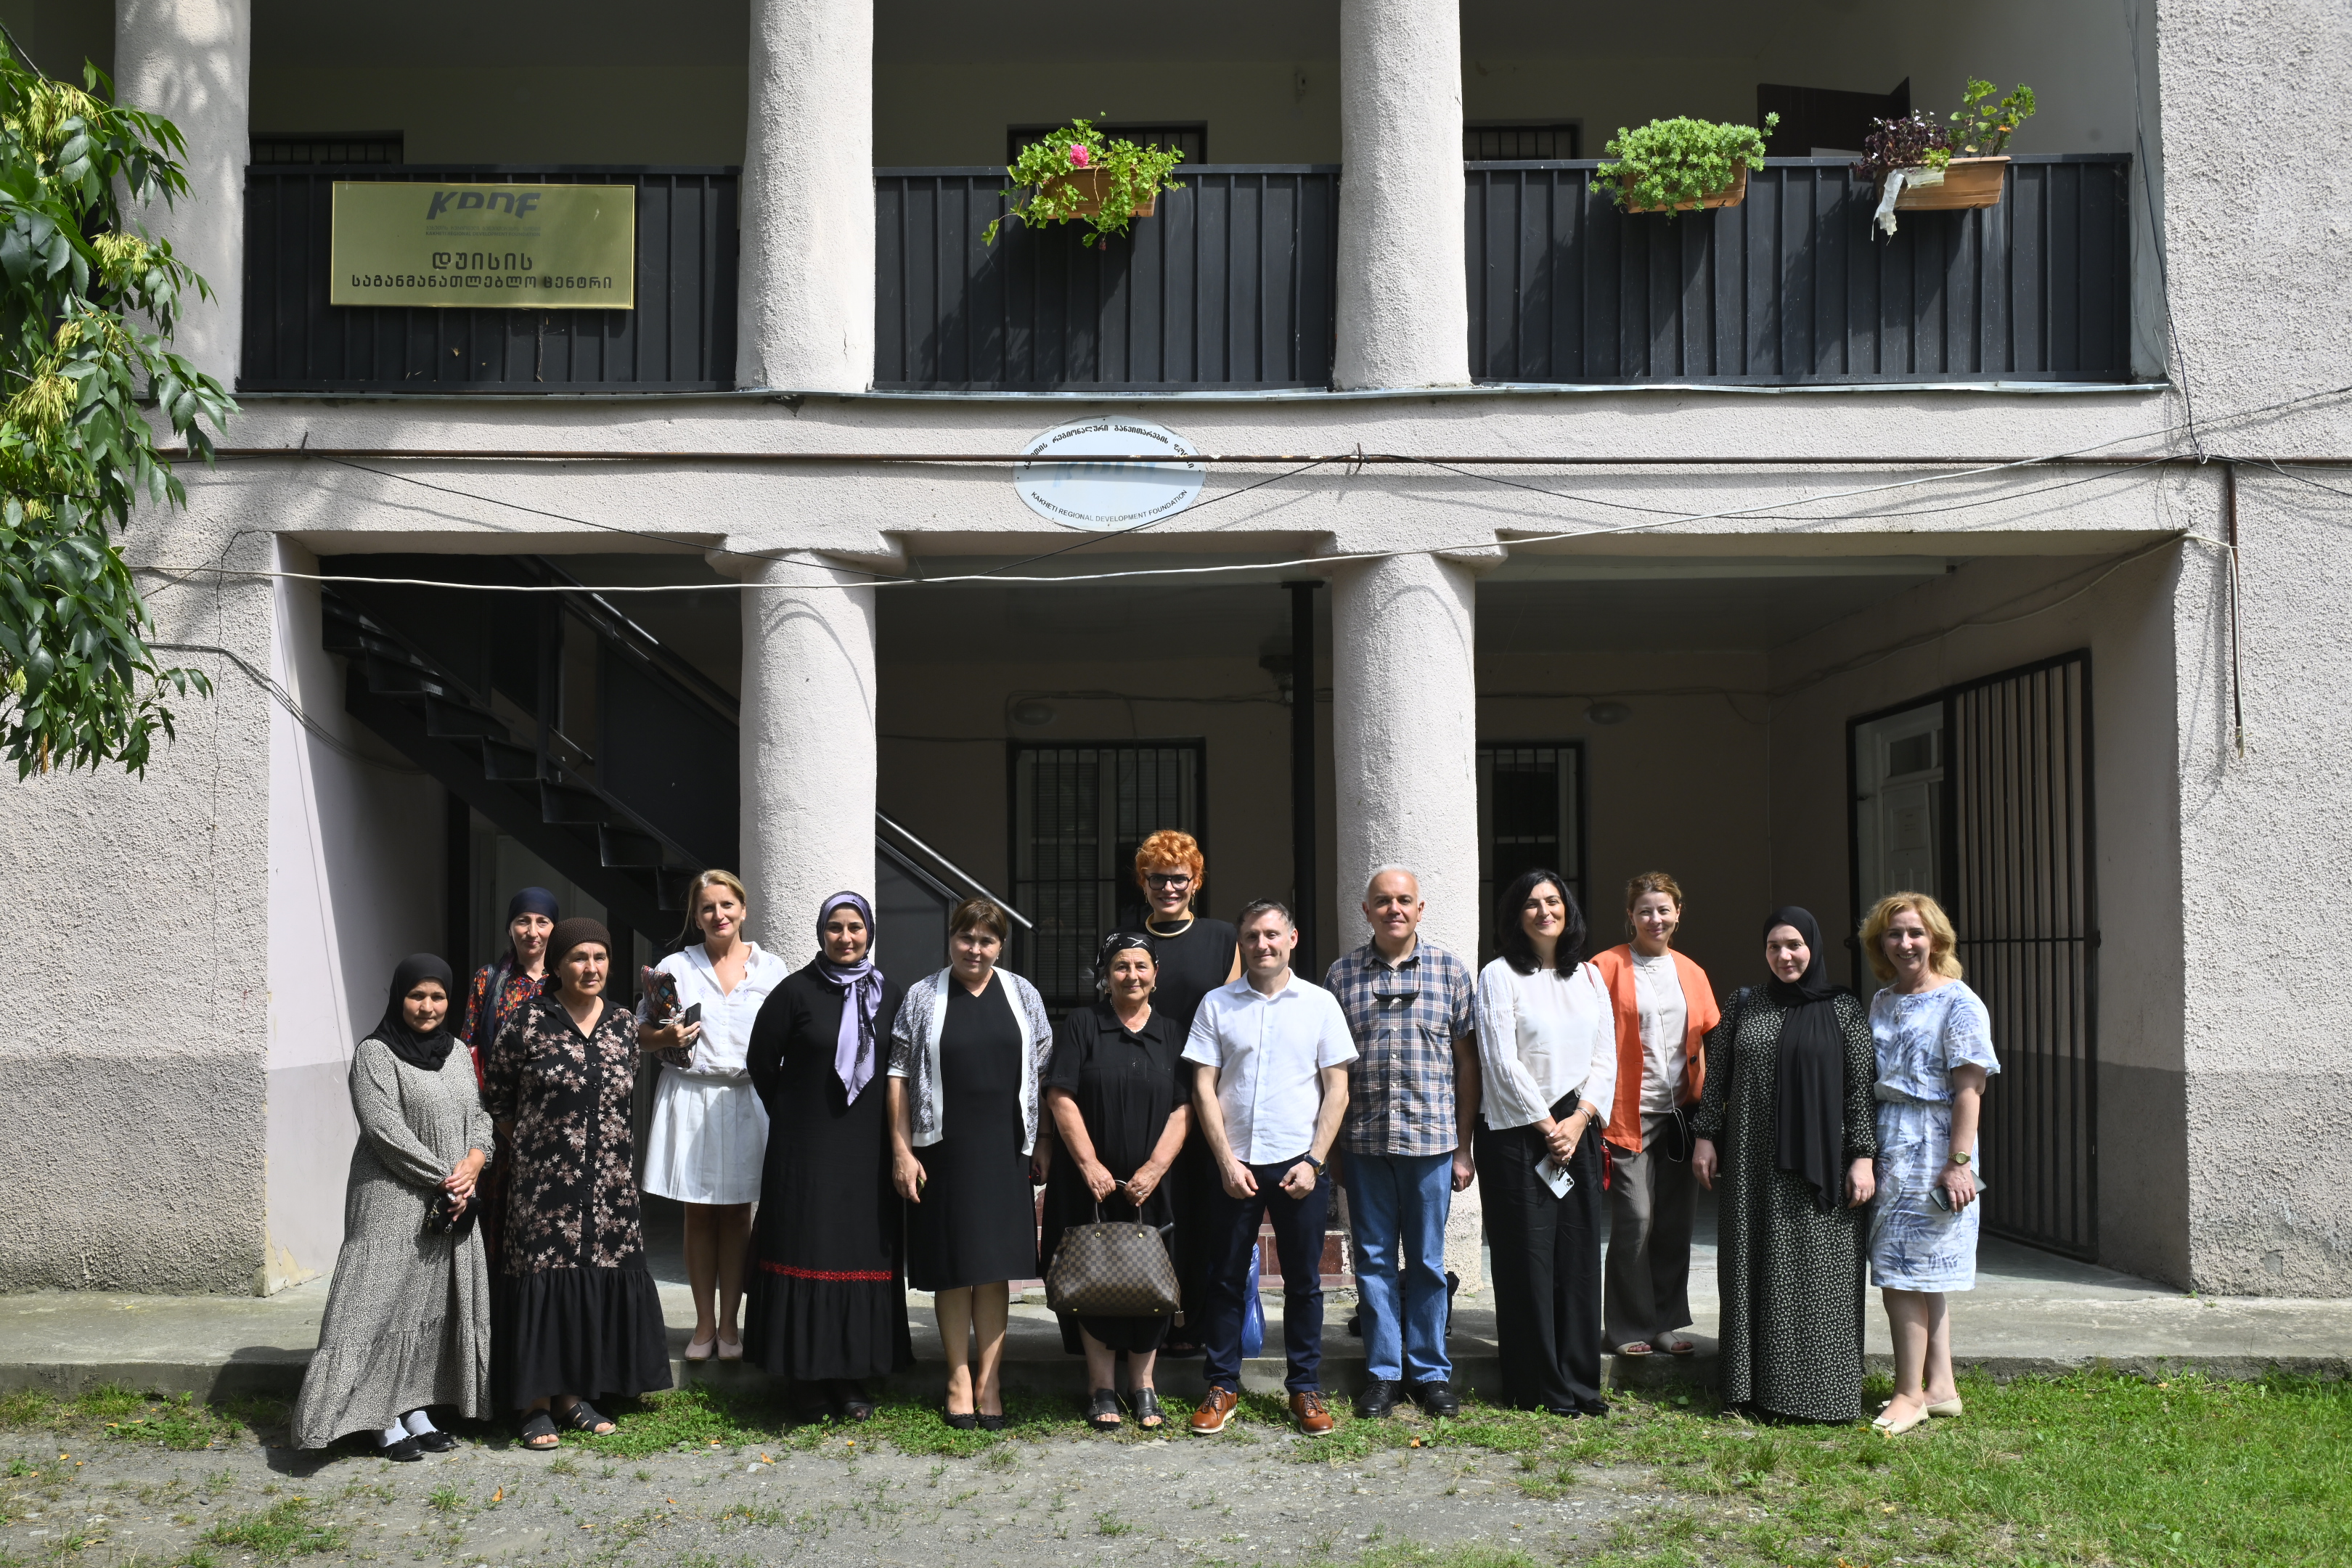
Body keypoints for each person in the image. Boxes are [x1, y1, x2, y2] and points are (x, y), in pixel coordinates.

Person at [290, 955, 492, 1459]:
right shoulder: (376, 1055)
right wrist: (449, 1179)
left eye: (438, 997)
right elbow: (385, 1135)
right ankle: (371, 1419)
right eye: (416, 996)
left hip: (449, 1202)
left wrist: (475, 1161)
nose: (427, 1007)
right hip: (391, 1200)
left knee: (425, 1306)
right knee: (374, 1307)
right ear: (398, 998)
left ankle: (414, 1408)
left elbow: (479, 1117)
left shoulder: (459, 1053)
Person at [483, 918, 672, 1450]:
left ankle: (572, 1395)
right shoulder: (529, 1021)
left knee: (591, 1276)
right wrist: (531, 1148)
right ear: (559, 966)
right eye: (578, 959)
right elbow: (497, 1097)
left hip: (610, 1182)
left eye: (600, 958)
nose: (591, 968)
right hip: (545, 1184)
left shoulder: (620, 1024)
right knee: (545, 1279)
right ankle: (533, 1404)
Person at [1690, 907, 1879, 1424]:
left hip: (1822, 1167)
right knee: (1752, 1270)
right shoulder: (1745, 1004)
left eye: (1794, 944)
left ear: (1813, 947)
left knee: (1818, 1280)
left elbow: (1860, 1090)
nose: (1784, 956)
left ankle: (1822, 1398)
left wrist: (1862, 1157)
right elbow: (1718, 1077)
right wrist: (1706, 1138)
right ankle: (1747, 1393)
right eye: (1774, 946)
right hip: (1751, 1165)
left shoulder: (1842, 1009)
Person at [1183, 899, 1356, 1437]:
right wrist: (1224, 1160)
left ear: (1293, 938)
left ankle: (1305, 1387)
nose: (1263, 944)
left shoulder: (1320, 1004)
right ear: (1242, 943)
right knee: (1227, 1280)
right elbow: (1203, 1088)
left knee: (1304, 1283)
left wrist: (1315, 1160)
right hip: (1236, 1164)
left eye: (1272, 935)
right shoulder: (1216, 1004)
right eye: (1253, 936)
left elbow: (1337, 1089)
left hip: (1298, 1164)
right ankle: (1222, 1385)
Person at [743, 891, 912, 1421]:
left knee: (860, 1252)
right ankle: (806, 1377)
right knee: (809, 1248)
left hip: (870, 1148)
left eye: (855, 928)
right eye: (835, 928)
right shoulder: (794, 992)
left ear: (870, 933)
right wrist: (795, 1116)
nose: (845, 937)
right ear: (821, 933)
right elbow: (761, 1062)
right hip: (807, 1148)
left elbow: (900, 1073)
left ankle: (851, 1373)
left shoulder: (891, 994)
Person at [889, 897, 1056, 1430]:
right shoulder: (921, 995)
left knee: (993, 1271)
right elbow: (897, 1075)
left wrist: (1044, 1138)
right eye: (967, 938)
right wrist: (902, 1149)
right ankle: (958, 1377)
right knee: (954, 1268)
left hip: (1006, 1147)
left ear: (1000, 945)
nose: (975, 949)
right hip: (942, 1147)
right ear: (951, 939)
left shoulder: (1022, 993)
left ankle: (991, 1379)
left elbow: (1043, 1069)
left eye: (986, 940)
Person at [1324, 866, 1479, 1420]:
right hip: (1364, 1145)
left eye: (1404, 900)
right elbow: (1329, 1071)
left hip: (1432, 1145)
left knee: (1430, 1264)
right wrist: (1332, 1148)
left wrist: (1464, 1148)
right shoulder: (1340, 977)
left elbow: (1467, 1065)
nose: (1394, 909)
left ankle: (1432, 1373)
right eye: (1383, 901)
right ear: (1366, 910)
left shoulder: (1450, 972)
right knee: (1371, 1262)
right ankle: (1384, 1373)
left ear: (1420, 909)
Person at [1474, 869, 1617, 1418]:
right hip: (1516, 1131)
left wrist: (1579, 1120)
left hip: (1578, 1125)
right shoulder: (1499, 975)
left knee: (1578, 1259)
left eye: (1553, 901)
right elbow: (1499, 1058)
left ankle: (1582, 1384)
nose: (1543, 911)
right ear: (1515, 915)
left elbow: (1607, 1056)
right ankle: (1539, 1388)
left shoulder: (1588, 977)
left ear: (1568, 910)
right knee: (1527, 1261)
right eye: (1531, 903)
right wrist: (1546, 1125)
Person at [1039, 931, 1192, 1433]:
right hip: (1092, 1184)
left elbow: (1184, 1107)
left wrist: (1154, 1169)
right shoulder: (1084, 1024)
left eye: (1140, 966)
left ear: (1155, 975)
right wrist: (1088, 1165)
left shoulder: (1172, 1031)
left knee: (1151, 1277)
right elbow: (1061, 1094)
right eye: (1121, 967)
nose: (1131, 975)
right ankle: (1100, 1385)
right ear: (1105, 976)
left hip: (1155, 1184)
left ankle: (1143, 1384)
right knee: (1095, 1278)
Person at [638, 870, 791, 1362]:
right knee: (698, 1214)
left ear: (743, 910)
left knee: (738, 1214)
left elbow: (793, 1035)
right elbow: (640, 1032)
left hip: (749, 1098)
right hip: (691, 1093)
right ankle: (703, 1327)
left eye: (727, 905)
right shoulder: (675, 968)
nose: (718, 915)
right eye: (708, 908)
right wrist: (667, 1039)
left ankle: (731, 1327)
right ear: (696, 916)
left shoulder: (772, 969)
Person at [1862, 892, 1999, 1436]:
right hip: (1890, 1138)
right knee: (1921, 1273)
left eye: (1915, 933)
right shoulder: (1882, 1001)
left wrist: (1959, 1163)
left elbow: (1971, 1087)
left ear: (1936, 939)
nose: (1905, 943)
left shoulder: (1959, 1002)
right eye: (1894, 934)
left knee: (1901, 1272)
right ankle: (1940, 1387)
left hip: (1935, 1143)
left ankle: (1907, 1394)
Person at [1592, 872, 1720, 1360]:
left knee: (1674, 1223)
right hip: (1627, 1115)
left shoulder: (1691, 971)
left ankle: (1665, 1321)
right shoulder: (1604, 967)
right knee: (1636, 1221)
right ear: (1630, 915)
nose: (1655, 918)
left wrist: (1708, 1115)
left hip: (1680, 1118)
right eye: (1645, 910)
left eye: (1664, 909)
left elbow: (1705, 1043)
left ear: (1678, 913)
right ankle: (1625, 1325)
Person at [1130, 830, 1240, 1357]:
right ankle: (1142, 1321)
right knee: (1150, 1208)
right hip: (1143, 1091)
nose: (1169, 887)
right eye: (1158, 878)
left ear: (1196, 882)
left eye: (1179, 878)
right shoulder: (1127, 941)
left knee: (1199, 1210)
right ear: (1143, 883)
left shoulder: (1223, 938)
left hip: (1206, 1092)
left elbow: (1237, 1014)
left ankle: (1194, 1323)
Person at [459, 886, 558, 1264]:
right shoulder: (489, 980)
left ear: (554, 928)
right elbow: (468, 1046)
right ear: (510, 928)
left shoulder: (564, 979)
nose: (532, 931)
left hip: (550, 1112)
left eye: (542, 922)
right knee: (498, 1209)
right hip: (496, 1113)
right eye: (523, 921)